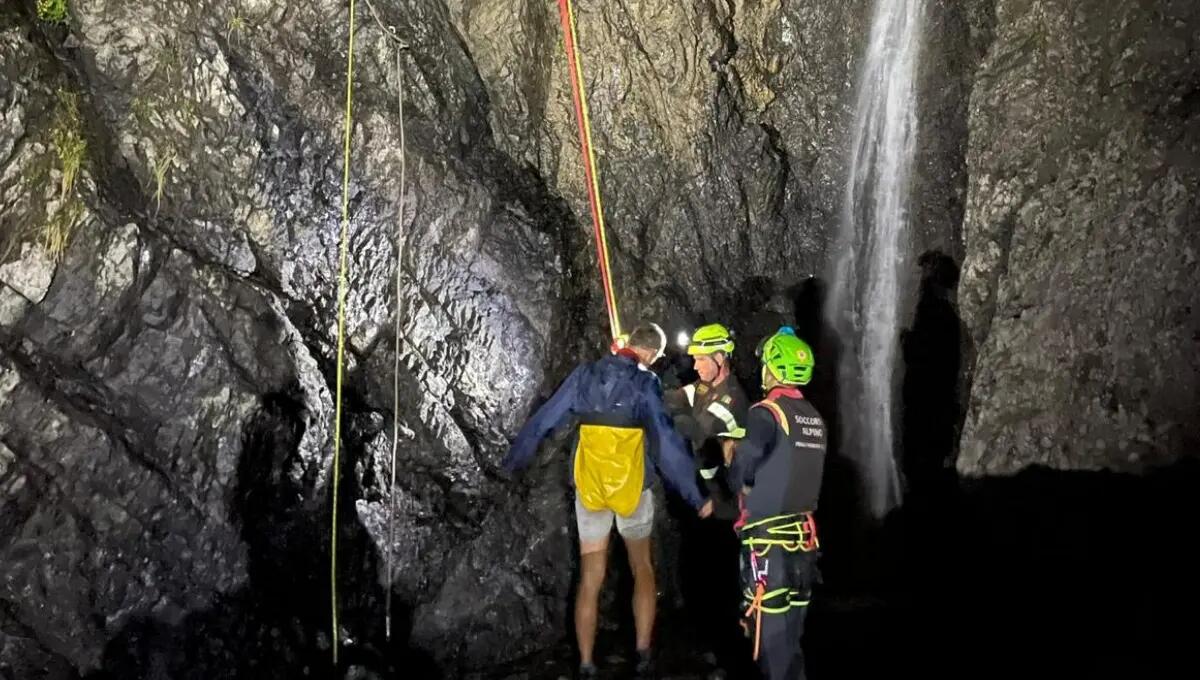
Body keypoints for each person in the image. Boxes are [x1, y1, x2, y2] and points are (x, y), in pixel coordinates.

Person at [502, 323, 714, 678]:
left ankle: (586, 663)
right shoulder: (646, 384)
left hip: (592, 488)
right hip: (632, 489)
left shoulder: (585, 375)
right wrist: (696, 496)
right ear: (653, 355)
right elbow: (665, 445)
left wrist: (514, 461)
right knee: (642, 569)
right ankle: (643, 655)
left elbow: (545, 420)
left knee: (591, 577)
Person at [725, 327, 827, 680]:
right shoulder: (813, 417)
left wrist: (731, 459)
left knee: (770, 645)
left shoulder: (766, 413)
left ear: (773, 368)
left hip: (769, 548)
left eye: (766, 364)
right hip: (804, 547)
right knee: (793, 641)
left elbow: (740, 473)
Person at [665, 323, 751, 678]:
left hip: (729, 508)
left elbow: (694, 428)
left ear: (721, 358)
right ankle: (715, 649)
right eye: (695, 359)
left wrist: (668, 411)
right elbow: (676, 397)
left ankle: (736, 659)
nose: (697, 365)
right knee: (705, 580)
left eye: (702, 359)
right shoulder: (704, 385)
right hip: (708, 503)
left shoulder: (732, 399)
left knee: (727, 585)